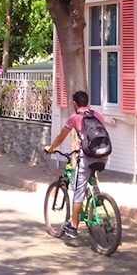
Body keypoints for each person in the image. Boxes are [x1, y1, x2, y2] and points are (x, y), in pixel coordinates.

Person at [45, 90, 108, 239]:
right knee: (88, 179)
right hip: (104, 155)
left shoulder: (74, 117)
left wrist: (51, 148)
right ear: (87, 102)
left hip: (87, 157)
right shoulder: (98, 115)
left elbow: (61, 136)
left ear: (74, 104)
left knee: (78, 191)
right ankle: (96, 196)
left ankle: (73, 227)